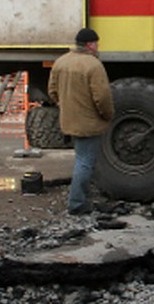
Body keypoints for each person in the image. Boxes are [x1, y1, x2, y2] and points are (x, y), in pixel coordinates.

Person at [48, 27, 114, 215]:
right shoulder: (93, 65)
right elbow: (102, 97)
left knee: (81, 159)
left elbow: (52, 91)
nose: (98, 47)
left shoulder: (61, 62)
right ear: (89, 45)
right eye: (96, 44)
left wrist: (65, 105)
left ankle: (81, 198)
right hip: (89, 123)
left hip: (69, 120)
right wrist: (108, 115)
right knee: (85, 162)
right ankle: (77, 203)